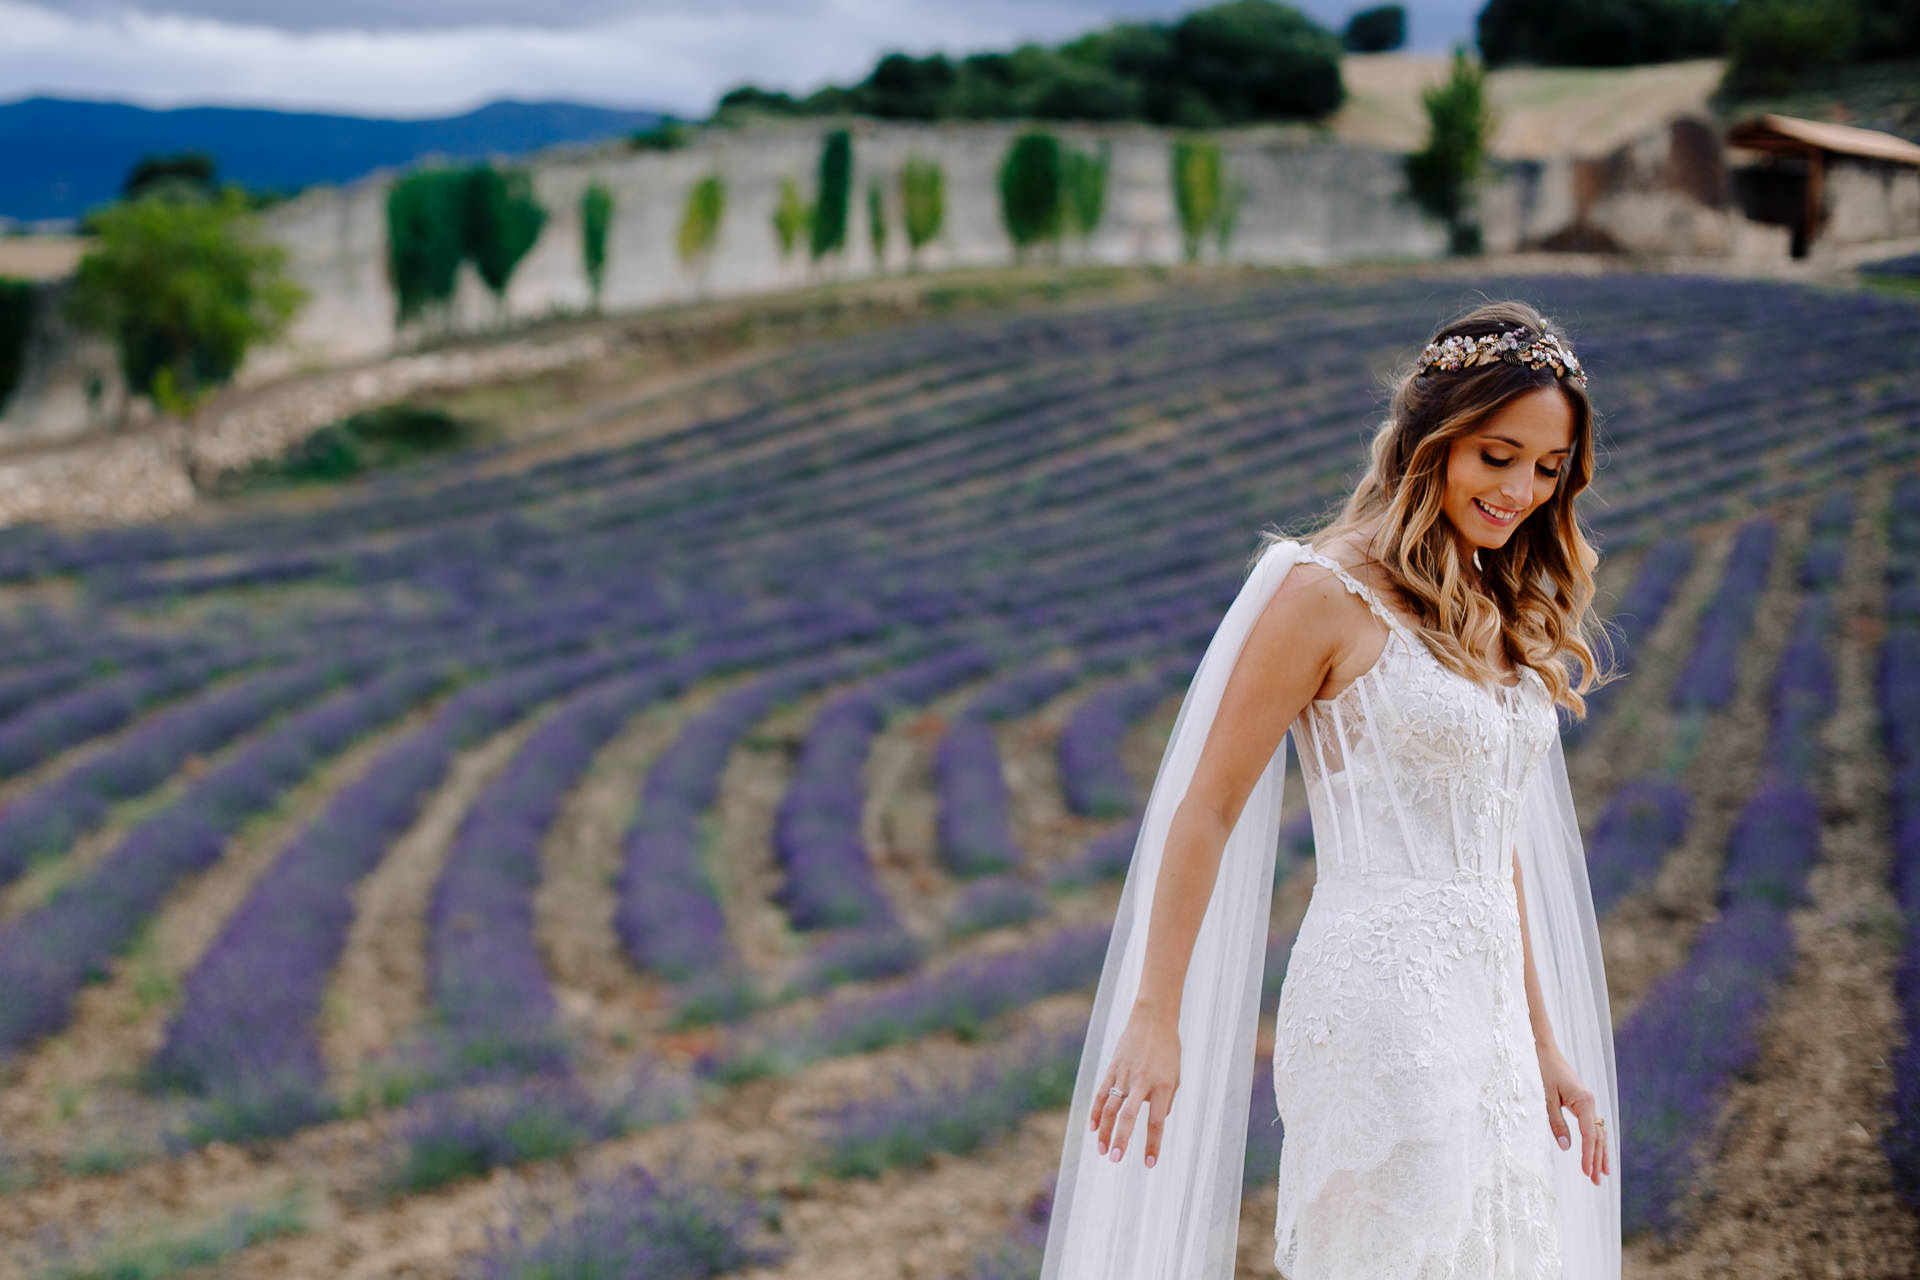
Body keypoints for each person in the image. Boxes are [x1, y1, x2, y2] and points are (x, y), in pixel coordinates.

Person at [1038, 299, 1621, 1279]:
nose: (1521, 488)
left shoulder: (1489, 599)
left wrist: (1545, 1038)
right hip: (1380, 999)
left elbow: (1488, 845)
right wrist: (1154, 1012)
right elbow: (1208, 802)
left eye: (1547, 468)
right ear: (1431, 440)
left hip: (1491, 1020)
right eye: (1497, 454)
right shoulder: (1321, 591)